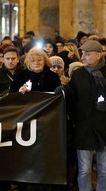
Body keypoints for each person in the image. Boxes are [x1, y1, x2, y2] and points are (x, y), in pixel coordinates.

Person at [65, 40, 106, 191]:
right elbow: (70, 96)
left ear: (99, 55)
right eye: (82, 53)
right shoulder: (78, 74)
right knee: (84, 171)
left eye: (87, 54)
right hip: (84, 128)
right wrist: (60, 91)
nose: (83, 57)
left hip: (104, 128)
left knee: (104, 171)